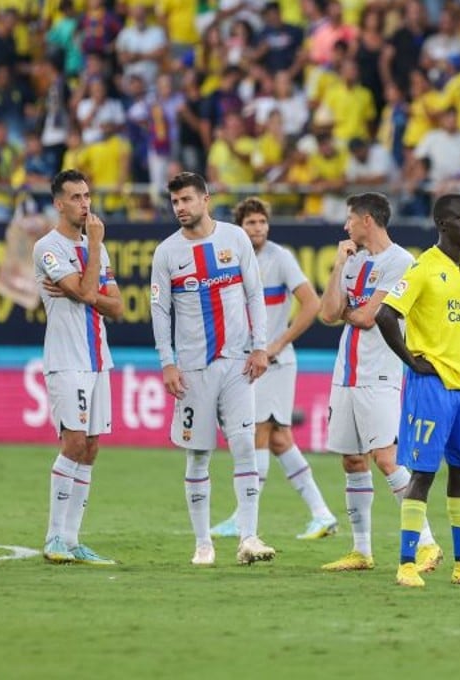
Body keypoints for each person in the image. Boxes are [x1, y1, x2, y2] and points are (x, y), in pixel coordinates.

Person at [377, 193, 460, 588]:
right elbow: (386, 314)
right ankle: (406, 563)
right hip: (431, 385)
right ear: (442, 224)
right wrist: (412, 360)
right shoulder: (423, 269)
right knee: (423, 473)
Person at [149, 172, 276, 566]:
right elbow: (160, 310)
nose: (180, 208)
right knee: (198, 455)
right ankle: (203, 544)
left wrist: (260, 348)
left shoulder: (235, 239)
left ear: (206, 199)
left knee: (244, 447)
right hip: (192, 369)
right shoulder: (166, 253)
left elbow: (255, 294)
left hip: (238, 363)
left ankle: (249, 537)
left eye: (187, 199)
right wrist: (167, 362)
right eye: (175, 202)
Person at [316, 192, 441, 573]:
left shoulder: (402, 262)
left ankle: (428, 544)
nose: (345, 226)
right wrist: (338, 266)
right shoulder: (352, 261)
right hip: (346, 373)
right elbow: (326, 314)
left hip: (380, 372)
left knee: (386, 457)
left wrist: (345, 311)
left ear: (367, 220)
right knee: (353, 460)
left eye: (350, 219)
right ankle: (361, 551)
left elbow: (370, 317)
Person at [210, 198, 339, 541]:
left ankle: (243, 518)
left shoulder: (279, 258)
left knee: (258, 435)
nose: (258, 228)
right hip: (249, 360)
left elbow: (312, 303)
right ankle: (322, 513)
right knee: (281, 440)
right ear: (240, 227)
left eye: (262, 222)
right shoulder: (231, 259)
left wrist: (278, 344)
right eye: (251, 222)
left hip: (274, 363)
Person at [35, 169, 124, 565]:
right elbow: (90, 292)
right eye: (75, 197)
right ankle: (53, 537)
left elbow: (116, 307)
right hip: (66, 359)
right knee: (73, 442)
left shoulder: (96, 249)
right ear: (59, 203)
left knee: (91, 448)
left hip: (98, 358)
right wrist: (91, 287)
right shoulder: (47, 248)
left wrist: (89, 292)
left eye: (87, 196)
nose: (84, 204)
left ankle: (72, 541)